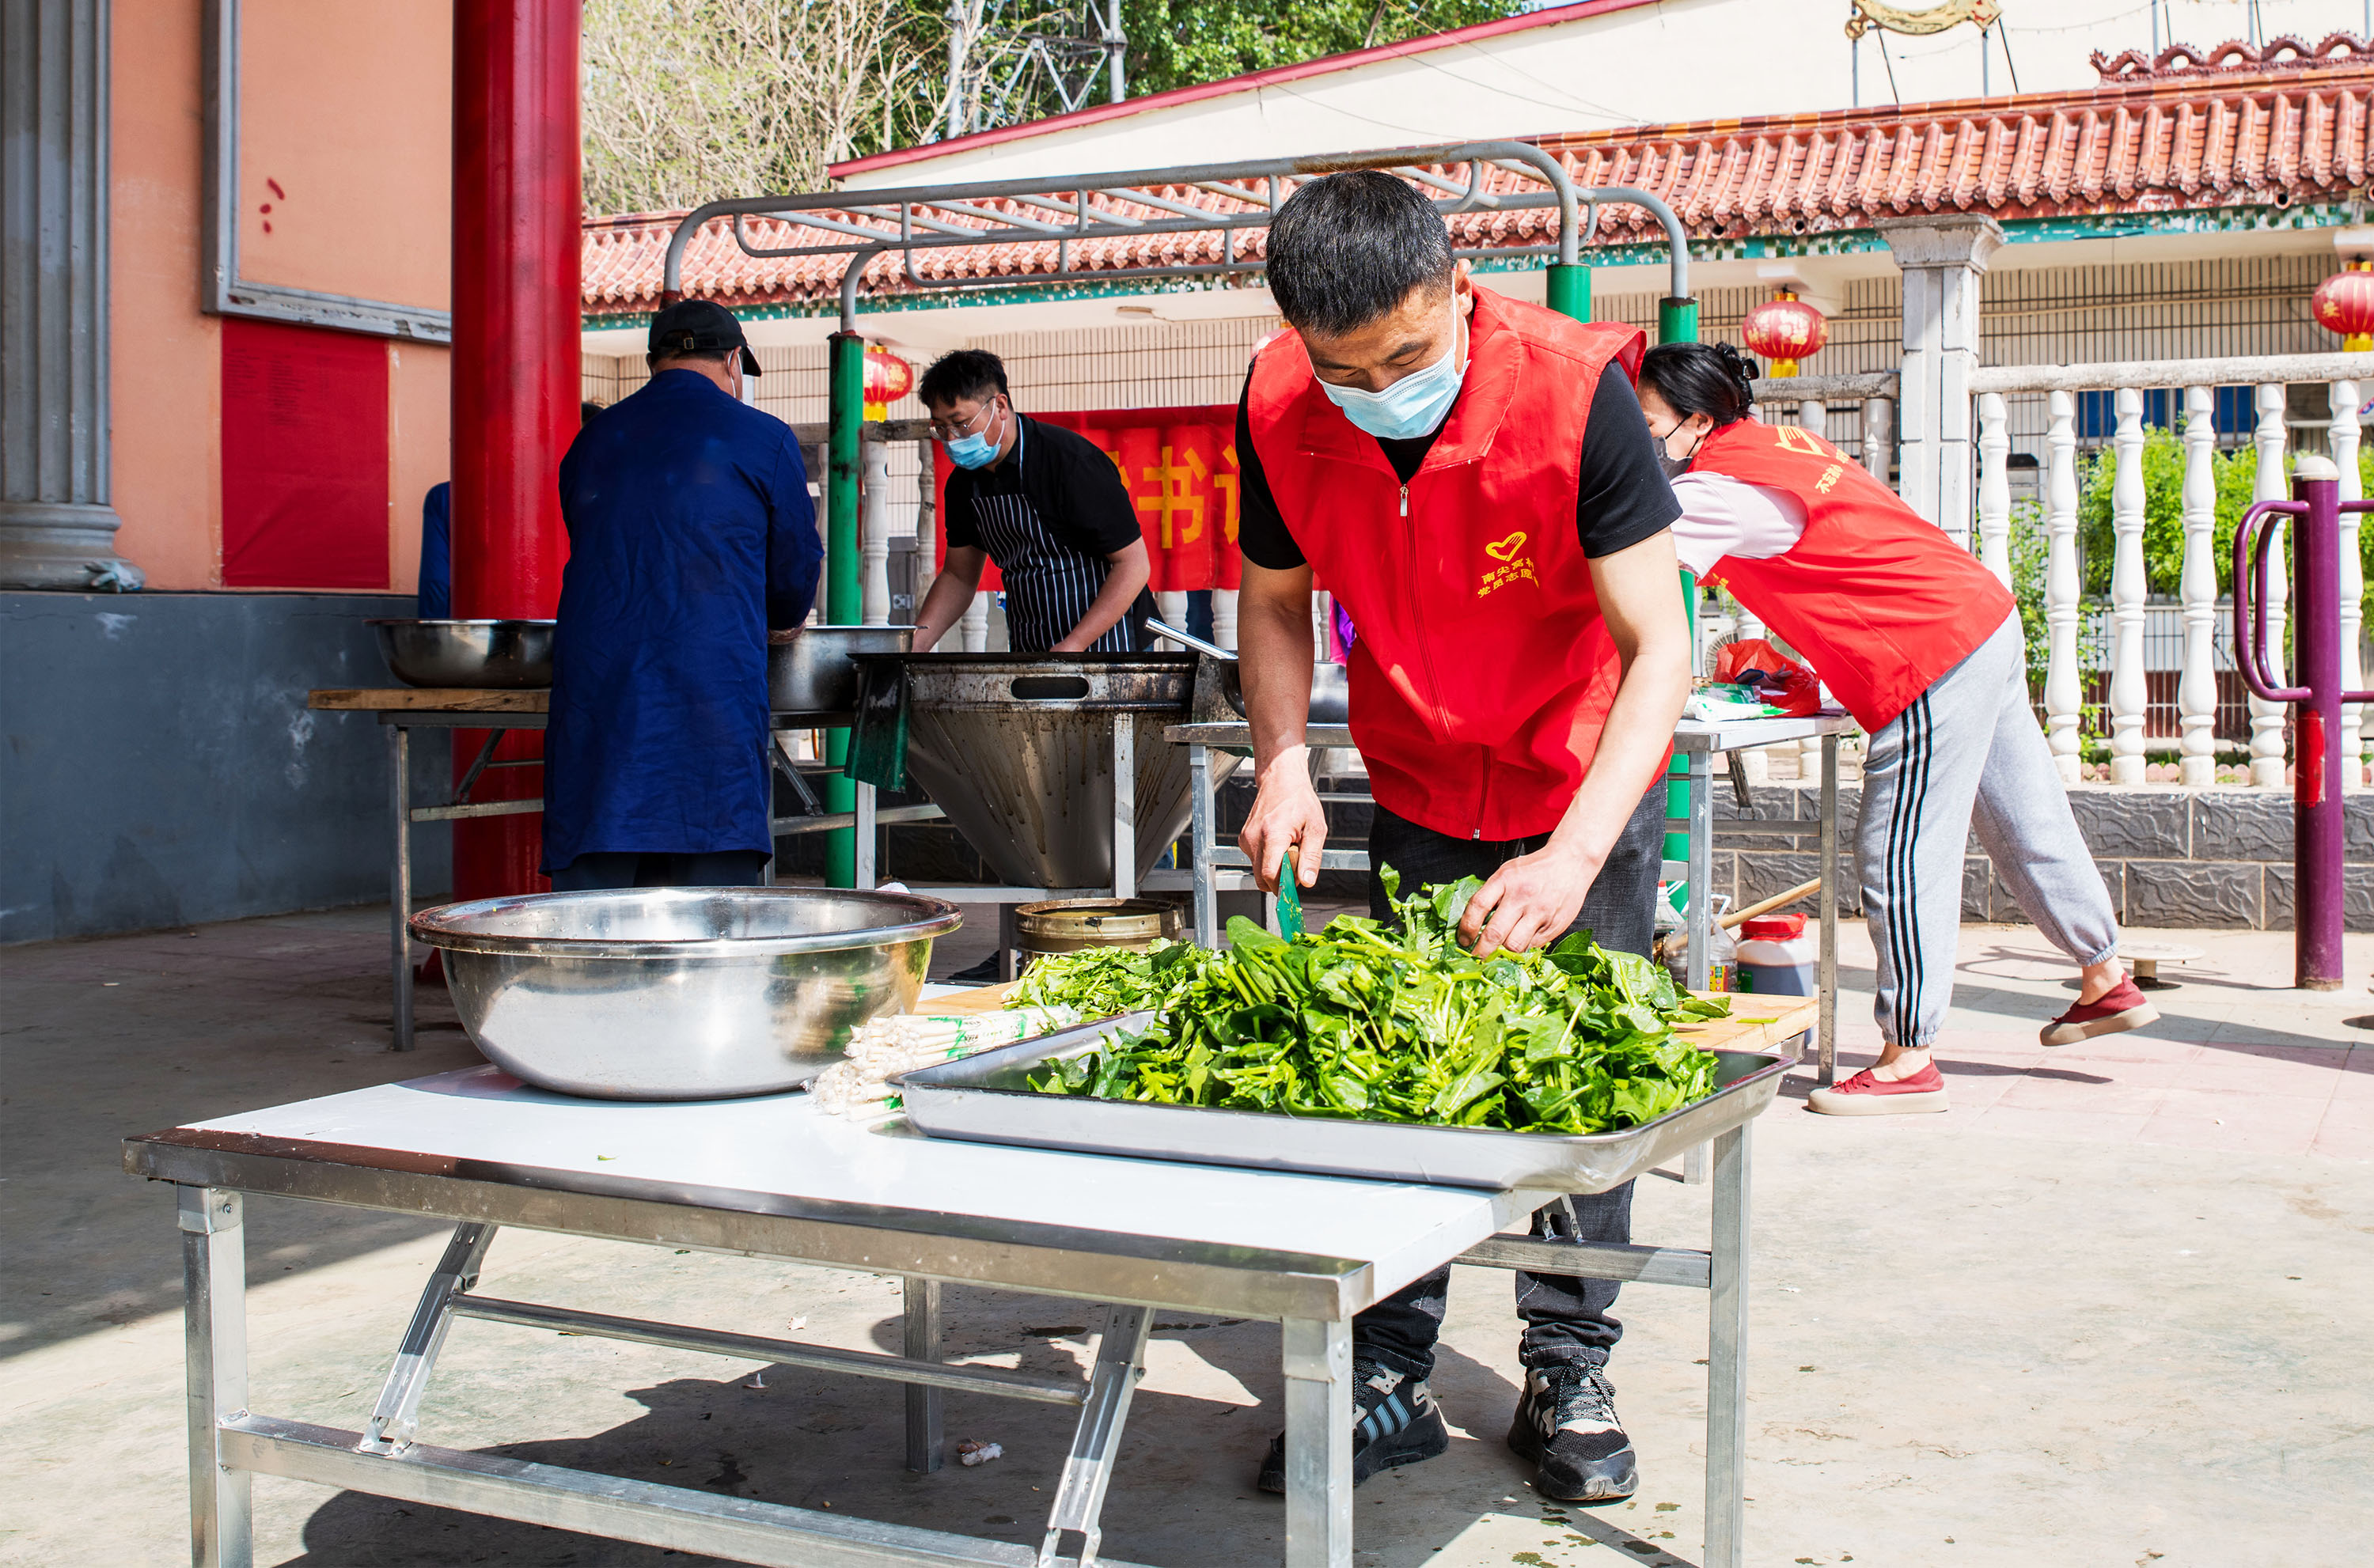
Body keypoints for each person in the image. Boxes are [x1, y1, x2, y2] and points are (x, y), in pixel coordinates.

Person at [1231, 171, 1693, 1504]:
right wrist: (1283, 760)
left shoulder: (1574, 392)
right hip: (1422, 774)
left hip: (1572, 776)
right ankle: (1392, 1368)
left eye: (1407, 355)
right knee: (1412, 1068)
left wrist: (1573, 858)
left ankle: (1569, 1361)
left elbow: (1661, 646)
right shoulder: (1276, 401)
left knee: (1578, 1079)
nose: (1377, 386)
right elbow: (1273, 606)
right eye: (1344, 367)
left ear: (1457, 291)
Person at [1635, 340, 2158, 1116]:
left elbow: (1626, 566)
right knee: (2025, 816)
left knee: (1899, 849)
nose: (1645, 444)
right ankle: (2104, 973)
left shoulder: (1717, 487)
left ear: (1698, 419)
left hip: (1926, 656)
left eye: (1649, 427)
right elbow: (1833, 558)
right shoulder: (1782, 444)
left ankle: (1910, 1055)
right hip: (1978, 617)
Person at [541, 302, 821, 892]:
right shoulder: (763, 437)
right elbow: (794, 566)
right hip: (709, 686)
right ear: (731, 360)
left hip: (600, 686)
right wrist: (779, 620)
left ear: (654, 361)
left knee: (599, 880)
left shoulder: (593, 441)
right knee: (712, 888)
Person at [910, 350, 1156, 653]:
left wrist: (1075, 644)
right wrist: (912, 648)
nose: (952, 438)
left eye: (960, 423)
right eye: (940, 428)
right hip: (1032, 642)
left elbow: (1133, 564)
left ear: (999, 406)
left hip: (1110, 643)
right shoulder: (963, 484)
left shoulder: (1071, 462)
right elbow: (959, 575)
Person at [415, 403, 602, 619]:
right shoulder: (591, 500)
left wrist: (436, 637)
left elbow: (436, 582)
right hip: (573, 627)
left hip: (470, 630)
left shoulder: (445, 497)